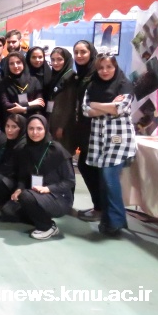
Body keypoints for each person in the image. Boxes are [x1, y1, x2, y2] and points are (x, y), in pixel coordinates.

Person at [82, 54, 136, 236]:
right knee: (104, 182)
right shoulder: (92, 86)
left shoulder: (125, 84)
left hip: (119, 139)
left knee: (109, 177)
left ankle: (116, 220)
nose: (105, 71)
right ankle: (108, 220)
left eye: (109, 67)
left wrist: (96, 105)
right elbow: (86, 110)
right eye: (100, 68)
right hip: (99, 140)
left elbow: (119, 108)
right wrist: (108, 106)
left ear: (115, 67)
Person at [0, 115, 75, 240]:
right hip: (36, 194)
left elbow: (70, 181)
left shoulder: (56, 150)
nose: (35, 133)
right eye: (31, 129)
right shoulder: (25, 149)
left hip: (58, 197)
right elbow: (23, 176)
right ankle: (40, 216)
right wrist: (19, 188)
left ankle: (48, 227)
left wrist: (48, 189)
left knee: (26, 196)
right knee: (8, 211)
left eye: (39, 129)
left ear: (45, 129)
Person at [73, 40, 101, 222]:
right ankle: (98, 206)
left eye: (83, 52)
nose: (79, 55)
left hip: (97, 129)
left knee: (90, 167)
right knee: (85, 165)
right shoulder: (82, 74)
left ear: (91, 52)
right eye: (76, 52)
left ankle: (101, 209)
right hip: (84, 127)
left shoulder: (96, 73)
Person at [46, 47, 76, 153]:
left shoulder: (71, 77)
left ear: (66, 60)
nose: (55, 63)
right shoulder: (54, 76)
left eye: (59, 59)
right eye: (53, 59)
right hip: (52, 120)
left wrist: (61, 127)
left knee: (63, 153)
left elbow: (70, 104)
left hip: (63, 125)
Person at [0, 52, 45, 117]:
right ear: (8, 66)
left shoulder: (34, 80)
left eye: (18, 62)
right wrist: (30, 103)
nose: (15, 66)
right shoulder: (4, 83)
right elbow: (6, 105)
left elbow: (40, 104)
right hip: (14, 119)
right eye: (11, 63)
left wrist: (24, 109)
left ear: (23, 63)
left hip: (32, 118)